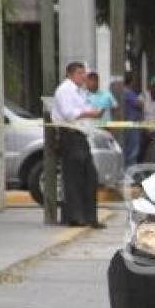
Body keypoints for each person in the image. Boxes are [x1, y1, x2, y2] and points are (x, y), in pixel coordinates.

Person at [50, 61, 104, 228]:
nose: (83, 76)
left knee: (90, 177)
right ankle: (75, 217)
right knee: (74, 178)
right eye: (80, 73)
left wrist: (93, 112)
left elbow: (86, 107)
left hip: (81, 137)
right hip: (70, 136)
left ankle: (89, 217)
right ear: (70, 74)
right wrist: (89, 113)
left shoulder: (80, 91)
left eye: (84, 73)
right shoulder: (65, 90)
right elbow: (68, 114)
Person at [122, 72, 144, 168]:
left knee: (128, 149)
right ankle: (129, 171)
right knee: (132, 150)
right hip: (131, 125)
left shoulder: (124, 91)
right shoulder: (128, 92)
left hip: (127, 124)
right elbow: (139, 104)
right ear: (131, 81)